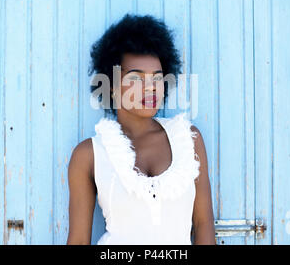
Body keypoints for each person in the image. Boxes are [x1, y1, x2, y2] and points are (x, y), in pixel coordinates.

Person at [67, 14, 215, 245]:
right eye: (136, 78)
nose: (150, 88)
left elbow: (204, 224)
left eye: (157, 78)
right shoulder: (89, 155)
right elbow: (77, 241)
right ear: (112, 85)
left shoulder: (189, 140)